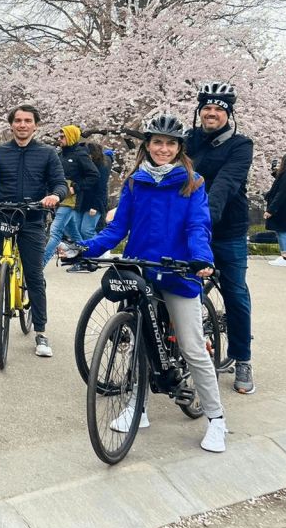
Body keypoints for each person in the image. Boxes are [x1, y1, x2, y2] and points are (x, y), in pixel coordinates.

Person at [62, 114, 227, 454]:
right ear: (147, 146)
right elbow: (117, 228)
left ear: (179, 148)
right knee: (137, 343)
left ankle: (216, 419)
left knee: (193, 348)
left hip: (180, 271)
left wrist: (201, 258)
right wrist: (85, 249)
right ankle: (138, 407)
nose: (163, 149)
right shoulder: (136, 182)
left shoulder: (193, 182)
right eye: (157, 142)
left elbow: (198, 226)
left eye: (170, 143)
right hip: (141, 271)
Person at [0, 105, 65, 354]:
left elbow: (59, 183)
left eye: (27, 121)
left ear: (35, 125)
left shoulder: (47, 154)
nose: (22, 125)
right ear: (11, 124)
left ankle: (41, 332)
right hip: (1, 214)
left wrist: (54, 196)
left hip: (33, 218)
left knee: (34, 275)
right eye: (17, 120)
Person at [185, 82, 256, 395]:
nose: (211, 113)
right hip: (189, 227)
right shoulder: (186, 141)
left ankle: (242, 358)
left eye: (218, 109)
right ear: (200, 112)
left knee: (235, 292)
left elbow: (226, 184)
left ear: (228, 114)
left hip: (226, 228)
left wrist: (205, 218)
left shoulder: (240, 145)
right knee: (180, 287)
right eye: (207, 109)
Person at [42, 124, 97, 267]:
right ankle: (87, 259)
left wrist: (75, 188)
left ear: (71, 136)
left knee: (55, 231)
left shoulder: (80, 154)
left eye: (62, 136)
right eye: (58, 136)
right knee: (73, 232)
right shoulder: (59, 155)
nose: (59, 139)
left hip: (71, 200)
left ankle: (39, 265)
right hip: (58, 197)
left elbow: (94, 175)